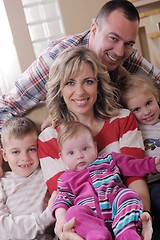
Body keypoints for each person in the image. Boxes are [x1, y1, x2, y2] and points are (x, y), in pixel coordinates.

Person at [0, 0, 160, 173]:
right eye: (113, 38)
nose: (120, 52)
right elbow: (6, 107)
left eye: (128, 43)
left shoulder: (125, 53)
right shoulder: (57, 59)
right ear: (94, 29)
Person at [38, 46, 152, 239]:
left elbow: (136, 181)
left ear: (98, 85)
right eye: (70, 83)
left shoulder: (123, 120)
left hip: (127, 217)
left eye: (88, 81)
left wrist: (139, 221)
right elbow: (63, 198)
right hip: (84, 227)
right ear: (60, 89)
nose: (80, 92)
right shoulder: (49, 138)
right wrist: (66, 231)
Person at [52, 121, 160, 240]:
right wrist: (61, 218)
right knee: (73, 212)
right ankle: (97, 236)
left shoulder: (109, 160)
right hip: (90, 215)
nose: (79, 156)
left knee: (129, 195)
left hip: (116, 207)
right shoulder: (66, 178)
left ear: (95, 146)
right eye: (71, 153)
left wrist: (153, 164)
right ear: (62, 157)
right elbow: (62, 199)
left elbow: (133, 165)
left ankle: (127, 233)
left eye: (84, 148)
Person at [0, 116, 57, 240]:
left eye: (31, 149)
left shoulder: (47, 171)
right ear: (4, 155)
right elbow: (2, 230)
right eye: (15, 152)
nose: (25, 157)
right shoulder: (3, 183)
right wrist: (46, 218)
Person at [118, 74, 160, 240]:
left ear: (156, 97)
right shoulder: (134, 131)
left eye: (149, 103)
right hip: (151, 182)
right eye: (137, 109)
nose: (147, 111)